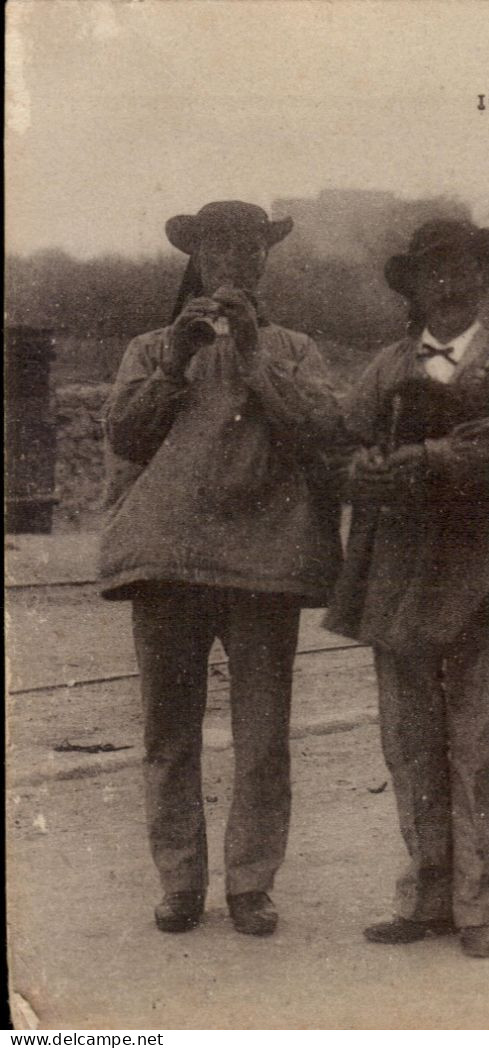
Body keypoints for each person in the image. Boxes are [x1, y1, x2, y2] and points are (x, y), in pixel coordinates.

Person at [325, 219, 489, 959]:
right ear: (412, 286)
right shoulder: (387, 363)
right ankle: (423, 897)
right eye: (432, 272)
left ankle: (480, 907)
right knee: (409, 746)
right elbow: (344, 441)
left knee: (476, 749)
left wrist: (437, 456)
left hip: (485, 573)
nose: (448, 285)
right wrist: (363, 472)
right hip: (401, 578)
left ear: (486, 281)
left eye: (464, 271)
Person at [99, 201, 343, 938]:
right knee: (167, 734)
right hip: (167, 561)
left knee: (263, 736)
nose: (233, 263)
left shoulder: (294, 348)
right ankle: (179, 883)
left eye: (247, 251)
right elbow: (126, 438)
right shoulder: (151, 347)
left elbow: (322, 432)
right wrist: (176, 360)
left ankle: (249, 885)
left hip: (263, 561)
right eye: (217, 253)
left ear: (265, 263)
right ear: (196, 263)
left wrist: (254, 356)